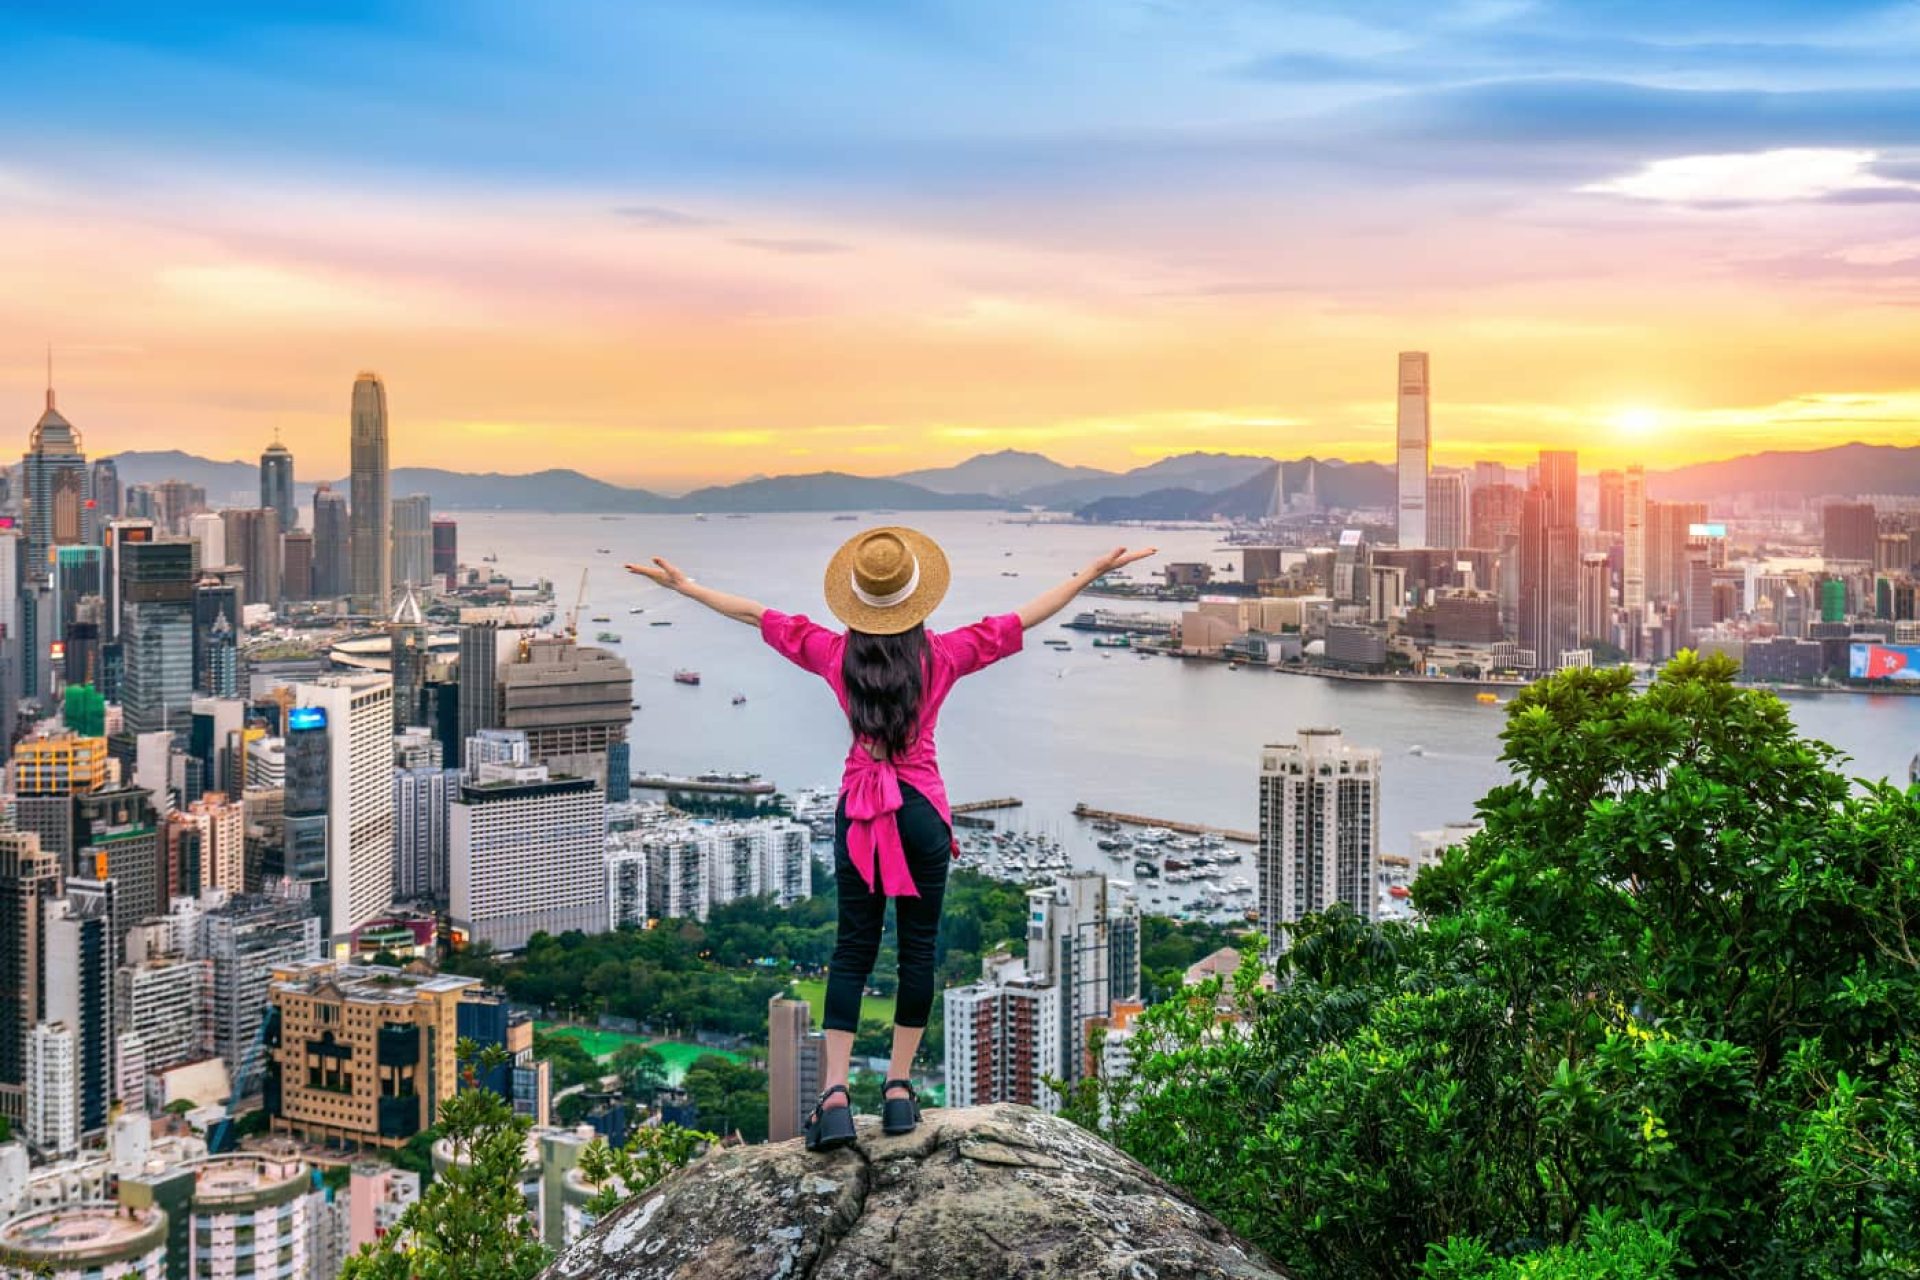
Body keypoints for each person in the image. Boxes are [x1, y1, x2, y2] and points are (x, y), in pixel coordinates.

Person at [629, 527, 1154, 1150]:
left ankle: (833, 1099)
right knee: (918, 951)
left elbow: (754, 614)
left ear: (856, 598)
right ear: (916, 596)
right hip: (922, 814)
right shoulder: (946, 654)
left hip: (861, 813)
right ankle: (900, 1092)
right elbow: (1025, 616)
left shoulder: (833, 653)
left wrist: (685, 587)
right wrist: (1090, 572)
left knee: (852, 950)